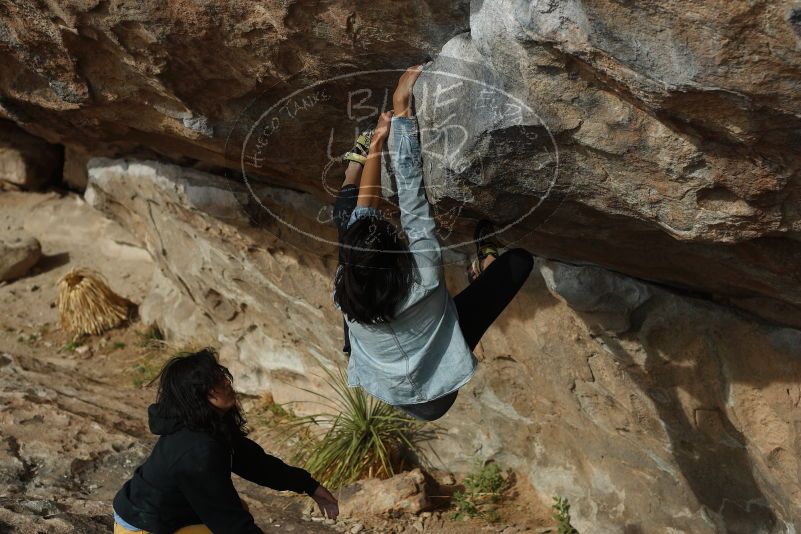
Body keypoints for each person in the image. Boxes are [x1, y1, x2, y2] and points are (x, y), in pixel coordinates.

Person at [333, 65, 534, 421]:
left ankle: (355, 166)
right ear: (396, 257)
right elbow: (411, 197)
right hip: (439, 387)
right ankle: (483, 270)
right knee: (518, 262)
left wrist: (377, 144)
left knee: (348, 228)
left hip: (388, 386)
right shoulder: (423, 274)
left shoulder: (343, 289)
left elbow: (364, 218)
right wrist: (401, 113)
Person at [112, 349, 338, 534]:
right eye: (214, 382)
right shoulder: (197, 450)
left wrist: (308, 485)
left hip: (164, 513)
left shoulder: (208, 425)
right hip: (142, 527)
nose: (226, 383)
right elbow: (229, 523)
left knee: (240, 507)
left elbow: (255, 463)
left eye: (221, 376)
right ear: (199, 395)